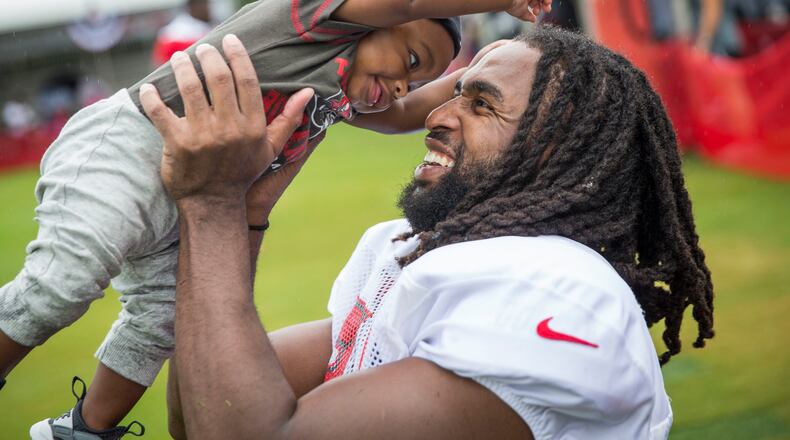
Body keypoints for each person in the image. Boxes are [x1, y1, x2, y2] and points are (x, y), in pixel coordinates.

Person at [0, 1, 554, 439]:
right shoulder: (308, 22)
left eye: (418, 76)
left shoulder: (342, 95)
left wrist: (483, 71)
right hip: (134, 144)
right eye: (410, 61)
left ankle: (84, 430)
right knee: (65, 281)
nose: (406, 84)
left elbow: (405, 111)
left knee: (161, 323)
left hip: (194, 189)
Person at [140, 25, 715, 439]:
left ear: (555, 153)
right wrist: (243, 213)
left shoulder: (556, 289)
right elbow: (198, 414)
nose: (437, 116)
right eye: (454, 94)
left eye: (482, 105)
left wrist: (213, 206)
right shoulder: (415, 252)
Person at [152, 0, 214, 66]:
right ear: (191, 5)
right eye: (203, 3)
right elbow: (160, 62)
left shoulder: (208, 26)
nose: (208, 8)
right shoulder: (174, 34)